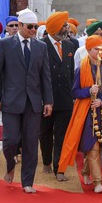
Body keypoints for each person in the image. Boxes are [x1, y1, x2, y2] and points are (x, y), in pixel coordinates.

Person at [0, 8, 53, 193]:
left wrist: (48, 101)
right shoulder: (4, 45)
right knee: (10, 140)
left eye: (36, 27)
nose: (33, 30)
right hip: (11, 101)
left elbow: (45, 76)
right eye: (30, 26)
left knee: (30, 143)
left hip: (34, 101)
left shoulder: (41, 46)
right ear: (20, 25)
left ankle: (27, 181)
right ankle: (11, 163)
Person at [58, 35, 102, 193]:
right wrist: (88, 91)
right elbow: (74, 91)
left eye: (100, 48)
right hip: (86, 113)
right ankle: (98, 182)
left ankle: (85, 171)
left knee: (98, 145)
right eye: (95, 48)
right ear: (88, 50)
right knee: (93, 147)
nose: (99, 51)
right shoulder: (81, 68)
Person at [40, 11, 75, 182]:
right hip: (46, 99)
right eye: (64, 25)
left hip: (66, 99)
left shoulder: (70, 46)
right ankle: (46, 161)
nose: (67, 28)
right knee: (45, 133)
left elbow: (71, 73)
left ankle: (59, 169)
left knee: (61, 134)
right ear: (55, 28)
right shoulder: (40, 45)